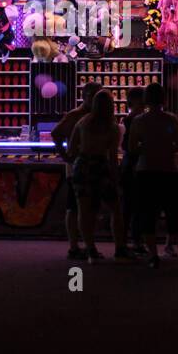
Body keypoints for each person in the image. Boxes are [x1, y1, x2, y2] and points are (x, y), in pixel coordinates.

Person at [128, 82, 178, 270]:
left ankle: (154, 256)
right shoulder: (171, 120)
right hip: (169, 171)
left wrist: (148, 147)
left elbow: (132, 148)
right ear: (164, 98)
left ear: (146, 99)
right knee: (174, 214)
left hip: (146, 171)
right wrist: (165, 146)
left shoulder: (139, 121)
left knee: (148, 214)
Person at [68, 90, 131, 261]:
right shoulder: (112, 127)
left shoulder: (83, 122)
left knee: (84, 210)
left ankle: (90, 250)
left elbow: (72, 148)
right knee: (115, 209)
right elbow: (112, 157)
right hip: (101, 167)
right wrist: (115, 177)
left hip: (82, 166)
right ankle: (119, 248)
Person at [52, 81, 102, 260]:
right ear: (86, 96)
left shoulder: (95, 115)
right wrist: (66, 157)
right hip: (77, 168)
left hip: (88, 166)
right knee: (75, 208)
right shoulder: (76, 115)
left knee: (87, 208)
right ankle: (75, 246)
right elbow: (56, 133)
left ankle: (85, 244)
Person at [120, 87, 147, 255]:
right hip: (136, 165)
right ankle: (135, 241)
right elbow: (127, 146)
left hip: (130, 164)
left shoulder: (128, 120)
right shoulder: (134, 120)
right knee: (133, 206)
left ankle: (129, 241)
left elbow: (124, 146)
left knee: (130, 206)